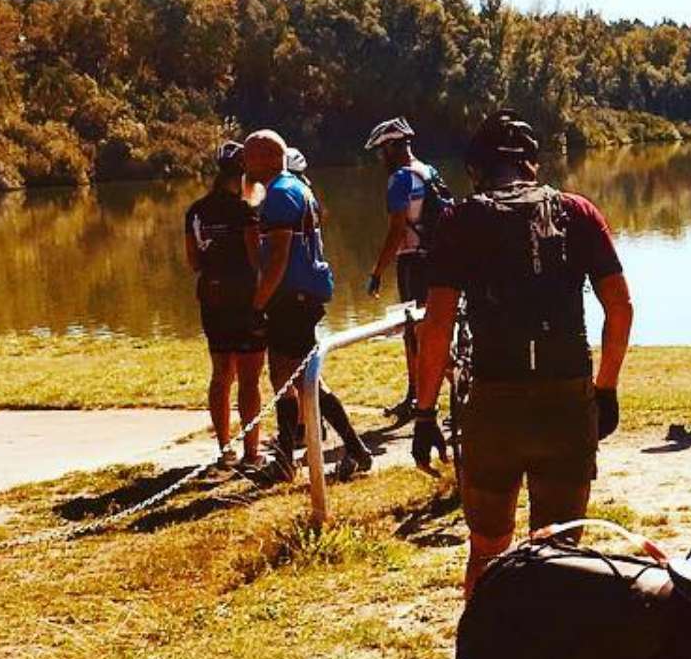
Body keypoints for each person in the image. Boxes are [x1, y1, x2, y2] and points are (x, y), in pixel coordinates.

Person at [409, 109, 634, 589]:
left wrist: (425, 412)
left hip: (494, 402)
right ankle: (552, 638)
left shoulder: (459, 220)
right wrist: (606, 389)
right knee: (561, 555)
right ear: (531, 163)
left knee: (488, 550)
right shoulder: (577, 212)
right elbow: (620, 308)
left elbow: (437, 325)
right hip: (566, 397)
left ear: (476, 169)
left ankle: (483, 637)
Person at [243, 130, 373, 478]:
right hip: (299, 294)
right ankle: (294, 455)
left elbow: (279, 257)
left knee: (300, 377)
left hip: (293, 296)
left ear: (268, 158)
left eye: (249, 156)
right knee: (288, 375)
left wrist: (258, 304)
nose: (245, 164)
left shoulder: (280, 194)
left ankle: (347, 451)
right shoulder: (296, 188)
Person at [184, 140, 264, 468]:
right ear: (243, 173)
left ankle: (224, 449)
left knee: (221, 374)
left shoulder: (196, 211)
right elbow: (257, 259)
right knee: (249, 379)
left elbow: (193, 262)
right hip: (245, 298)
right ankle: (252, 453)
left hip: (212, 297)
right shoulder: (245, 212)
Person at [366, 117, 447, 416]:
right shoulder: (428, 171)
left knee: (414, 330)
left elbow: (396, 230)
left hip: (413, 262)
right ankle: (429, 392)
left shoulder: (399, 179)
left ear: (390, 148)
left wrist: (377, 272)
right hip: (436, 257)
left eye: (381, 152)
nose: (380, 159)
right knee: (432, 326)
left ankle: (417, 397)